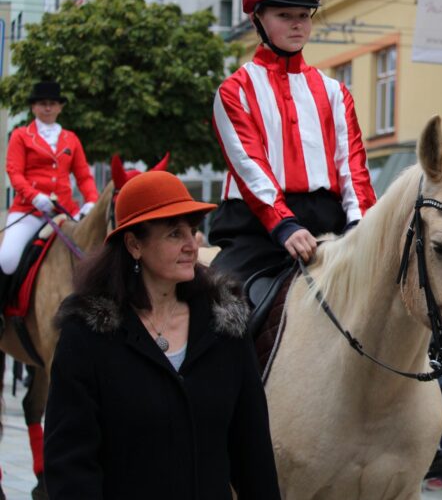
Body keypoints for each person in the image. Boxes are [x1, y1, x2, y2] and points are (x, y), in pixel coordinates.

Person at [43, 171, 281, 499]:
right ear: (134, 244)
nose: (191, 245)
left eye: (193, 231)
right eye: (173, 234)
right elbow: (69, 464)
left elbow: (252, 451)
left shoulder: (226, 324)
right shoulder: (87, 333)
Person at [209, 0, 376, 284]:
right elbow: (249, 166)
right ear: (257, 19)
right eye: (284, 15)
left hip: (332, 225)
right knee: (212, 306)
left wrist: (360, 226)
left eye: (304, 14)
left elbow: (354, 168)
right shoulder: (234, 90)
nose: (298, 23)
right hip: (256, 229)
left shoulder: (335, 92)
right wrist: (282, 223)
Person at [0, 81, 98, 295]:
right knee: (7, 259)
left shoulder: (70, 139)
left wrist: (91, 200)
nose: (48, 108)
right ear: (34, 107)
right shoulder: (21, 136)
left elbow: (84, 176)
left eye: (52, 103)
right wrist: (34, 197)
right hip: (29, 210)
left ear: (59, 107)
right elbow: (14, 172)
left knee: (95, 254)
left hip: (64, 212)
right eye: (43, 103)